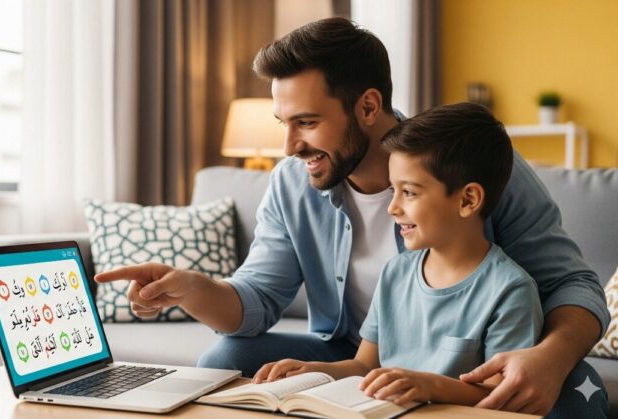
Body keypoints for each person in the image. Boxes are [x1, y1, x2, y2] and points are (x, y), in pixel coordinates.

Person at [95, 17, 609, 417]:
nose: (290, 146)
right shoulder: (293, 183)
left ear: (368, 106)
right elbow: (255, 302)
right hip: (360, 350)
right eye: (284, 123)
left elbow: (572, 283)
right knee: (224, 359)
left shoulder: (471, 161)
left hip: (475, 360)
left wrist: (551, 358)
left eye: (308, 122)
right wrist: (192, 288)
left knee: (560, 397)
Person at [252, 102, 545, 408]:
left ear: (468, 200)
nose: (393, 207)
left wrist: (430, 386)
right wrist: (314, 371)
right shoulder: (396, 273)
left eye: (409, 192)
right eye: (393, 190)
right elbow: (365, 366)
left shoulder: (510, 290)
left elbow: (500, 396)